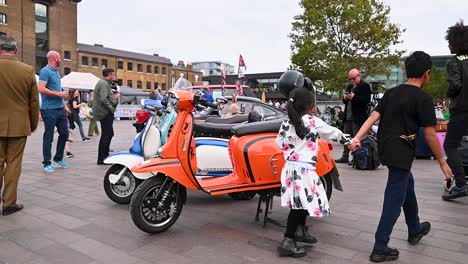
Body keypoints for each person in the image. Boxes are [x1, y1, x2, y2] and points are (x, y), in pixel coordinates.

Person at [350, 51, 453, 262]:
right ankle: (380, 246)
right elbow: (431, 133)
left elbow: (373, 116)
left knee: (408, 183)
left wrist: (358, 137)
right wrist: (442, 161)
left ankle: (414, 228)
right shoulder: (423, 99)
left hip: (386, 147)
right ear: (427, 74)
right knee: (394, 196)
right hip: (401, 149)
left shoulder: (391, 93)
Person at [275, 71, 350, 258]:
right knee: (299, 207)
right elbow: (333, 133)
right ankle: (288, 240)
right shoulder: (312, 122)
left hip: (291, 169)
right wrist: (350, 141)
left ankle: (298, 233)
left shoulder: (286, 123)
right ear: (309, 106)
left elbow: (278, 144)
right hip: (304, 170)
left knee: (301, 204)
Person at [0, 35, 40, 215]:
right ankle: (9, 203)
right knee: (14, 164)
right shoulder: (27, 70)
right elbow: (33, 102)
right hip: (18, 124)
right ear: (15, 50)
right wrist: (32, 124)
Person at [442, 20, 468, 200]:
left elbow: (455, 85)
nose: (449, 44)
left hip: (462, 109)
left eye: (450, 41)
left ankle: (460, 184)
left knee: (450, 145)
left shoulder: (454, 62)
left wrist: (449, 94)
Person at [38, 51, 70, 173]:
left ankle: (58, 158)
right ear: (55, 58)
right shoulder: (45, 71)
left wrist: (63, 104)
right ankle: (46, 163)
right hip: (49, 109)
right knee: (49, 136)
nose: (61, 59)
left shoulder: (56, 72)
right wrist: (59, 94)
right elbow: (41, 89)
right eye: (60, 57)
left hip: (59, 108)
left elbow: (56, 89)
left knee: (64, 133)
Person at [335, 69, 371, 164]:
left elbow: (365, 101)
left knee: (357, 138)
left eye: (353, 78)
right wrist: (345, 98)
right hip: (348, 116)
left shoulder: (365, 86)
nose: (352, 81)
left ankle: (356, 158)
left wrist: (354, 97)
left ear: (358, 76)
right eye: (350, 79)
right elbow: (345, 101)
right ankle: (345, 156)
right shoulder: (350, 86)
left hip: (358, 117)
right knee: (346, 137)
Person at [93, 68, 119, 165]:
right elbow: (103, 99)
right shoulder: (103, 84)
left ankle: (105, 155)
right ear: (110, 75)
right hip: (105, 113)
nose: (114, 77)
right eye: (113, 74)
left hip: (105, 112)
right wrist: (111, 108)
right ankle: (102, 158)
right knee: (106, 134)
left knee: (109, 133)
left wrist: (114, 99)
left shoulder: (105, 83)